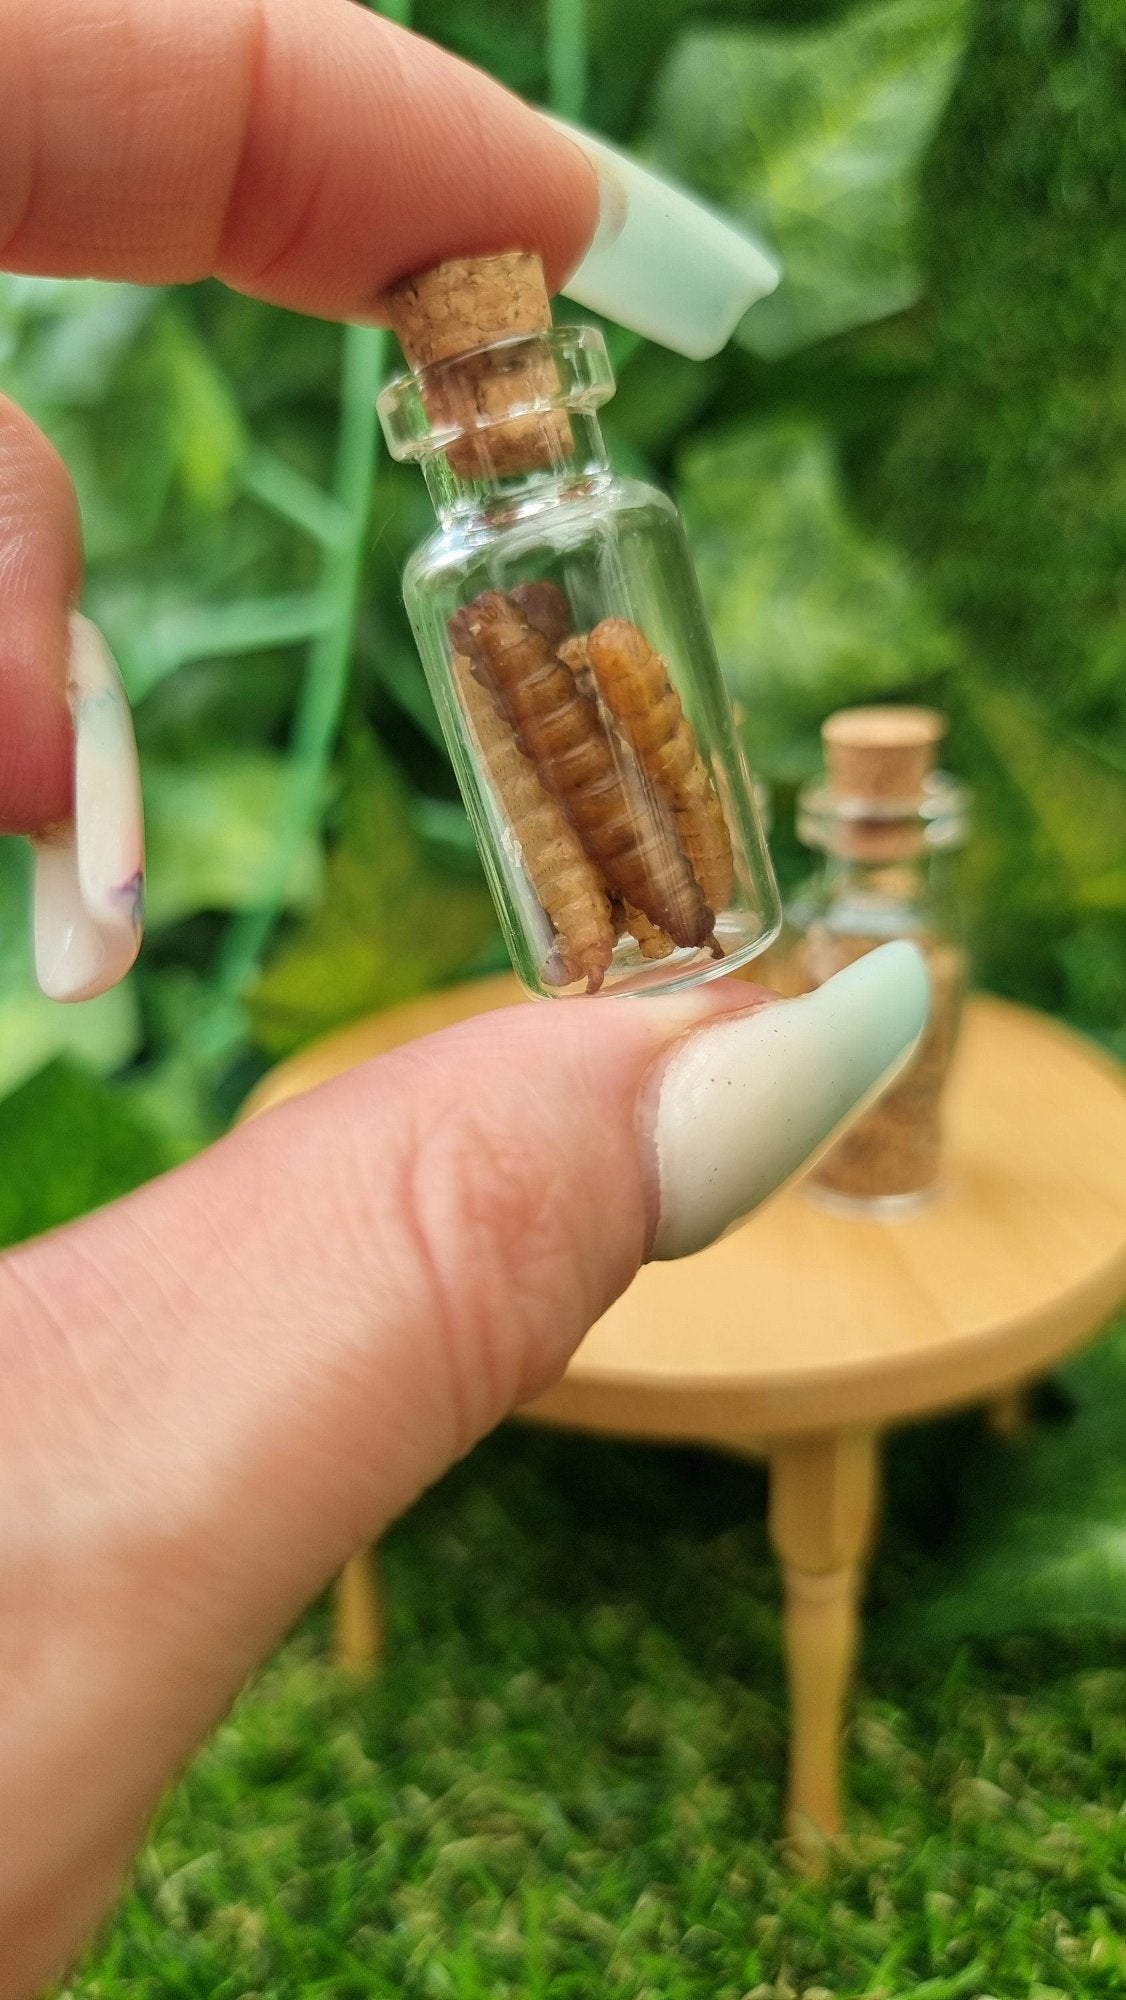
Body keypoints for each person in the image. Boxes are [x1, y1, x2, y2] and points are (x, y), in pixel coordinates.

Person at [0, 3, 930, 1990]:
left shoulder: (592, 541)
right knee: (613, 844)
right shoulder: (483, 575)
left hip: (660, 917)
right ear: (467, 407)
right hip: (624, 948)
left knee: (651, 826)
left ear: (529, 384)